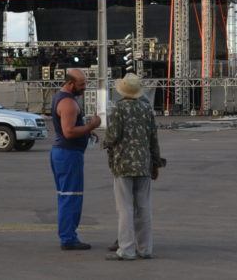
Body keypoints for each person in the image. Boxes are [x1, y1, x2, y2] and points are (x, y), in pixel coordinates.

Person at [103, 73, 166, 261]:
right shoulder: (147, 110)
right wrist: (156, 164)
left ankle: (127, 250)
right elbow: (153, 139)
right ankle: (145, 249)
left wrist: (104, 143)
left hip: (123, 164)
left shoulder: (118, 109)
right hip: (144, 164)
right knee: (144, 207)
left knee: (125, 208)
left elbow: (112, 137)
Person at [51, 68, 101, 251]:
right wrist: (91, 125)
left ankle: (68, 236)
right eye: (82, 85)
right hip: (68, 154)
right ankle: (68, 238)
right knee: (70, 197)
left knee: (67, 196)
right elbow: (69, 132)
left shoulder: (64, 98)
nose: (85, 88)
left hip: (64, 153)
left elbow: (72, 127)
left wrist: (88, 130)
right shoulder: (68, 103)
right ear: (70, 83)